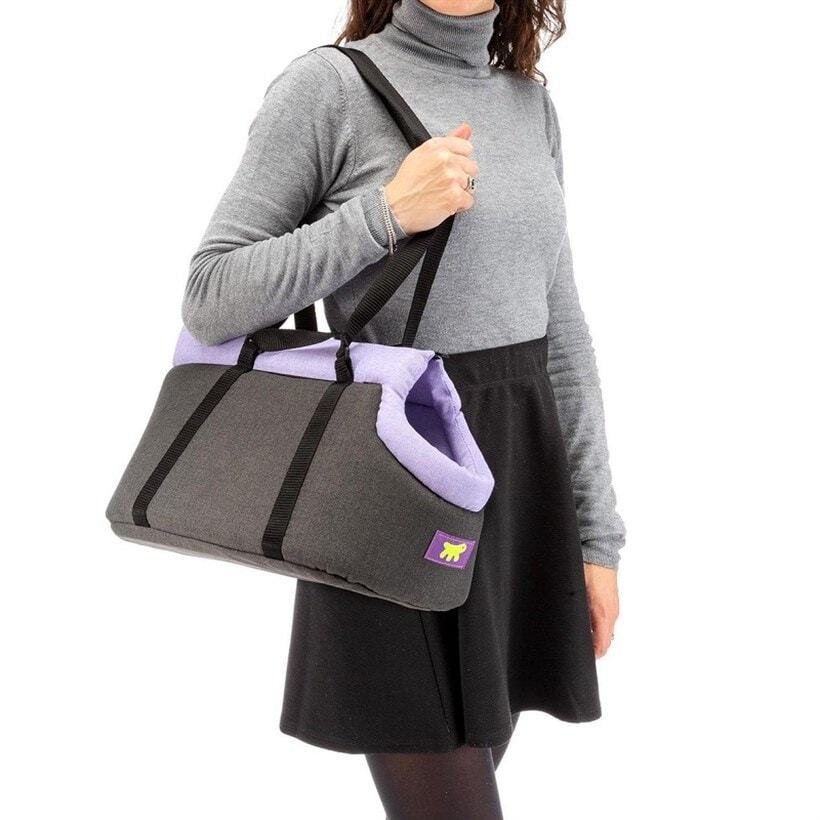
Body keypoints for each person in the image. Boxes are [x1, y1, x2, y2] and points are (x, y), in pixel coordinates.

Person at [183, 0, 626, 816]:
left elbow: (561, 334)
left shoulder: (528, 104)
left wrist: (596, 537)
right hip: (390, 487)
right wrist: (384, 215)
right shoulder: (328, 88)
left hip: (517, 485)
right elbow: (211, 297)